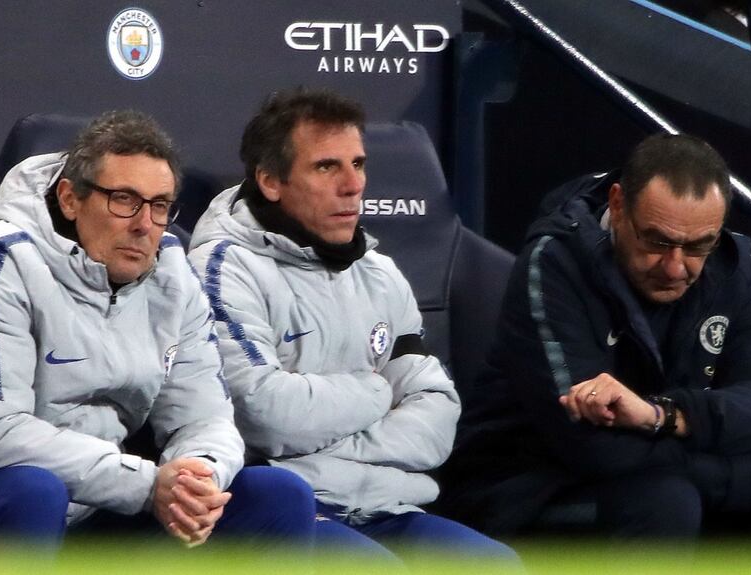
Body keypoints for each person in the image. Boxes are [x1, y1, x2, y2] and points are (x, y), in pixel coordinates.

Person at [0, 110, 315, 547]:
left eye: (159, 206)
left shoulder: (172, 272)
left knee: (276, 496)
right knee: (33, 491)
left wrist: (196, 477)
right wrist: (145, 483)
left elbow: (206, 417)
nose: (145, 224)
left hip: (97, 497)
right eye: (123, 199)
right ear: (70, 198)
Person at [442, 133, 751, 539]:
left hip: (671, 477)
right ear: (618, 205)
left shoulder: (732, 266)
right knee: (666, 501)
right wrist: (750, 473)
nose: (675, 267)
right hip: (529, 491)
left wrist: (666, 416)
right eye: (657, 241)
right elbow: (592, 448)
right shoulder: (553, 264)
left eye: (697, 246)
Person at [187, 88, 517, 562]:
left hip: (386, 504)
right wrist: (378, 392)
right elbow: (263, 414)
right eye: (326, 167)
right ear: (270, 181)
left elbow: (437, 411)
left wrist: (336, 448)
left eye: (358, 164)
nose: (353, 185)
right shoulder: (222, 269)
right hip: (287, 510)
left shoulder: (379, 273)